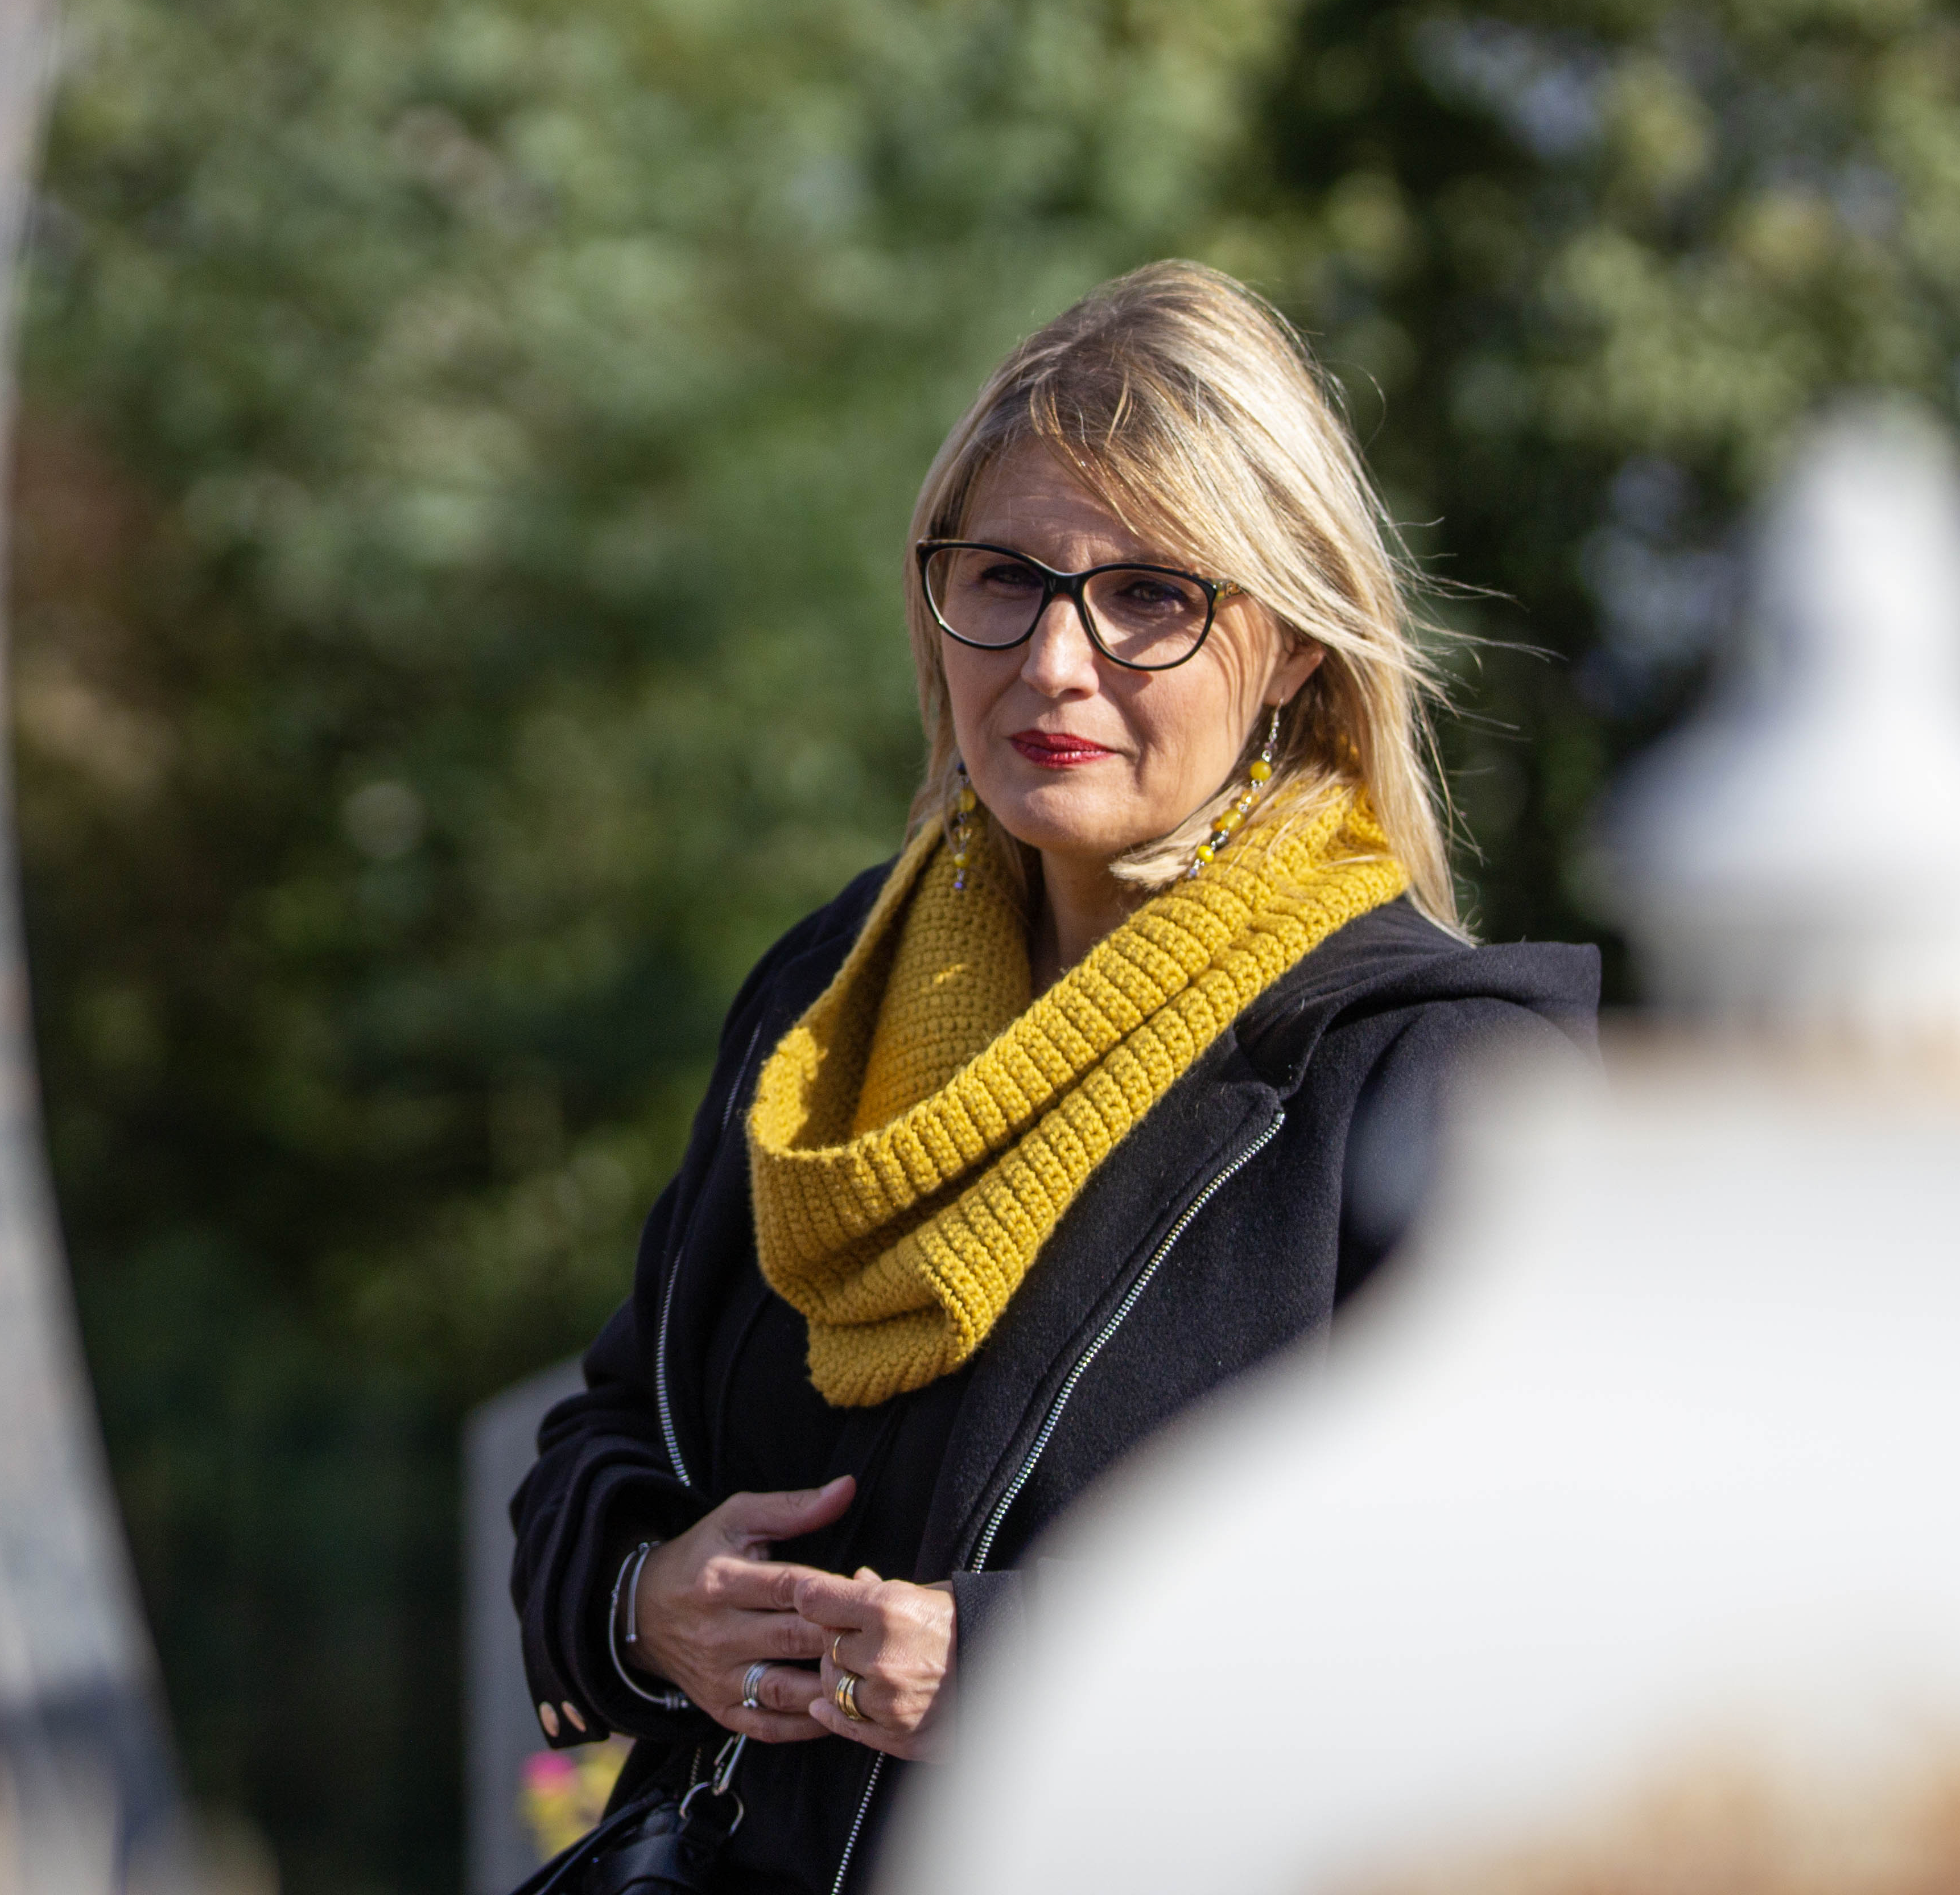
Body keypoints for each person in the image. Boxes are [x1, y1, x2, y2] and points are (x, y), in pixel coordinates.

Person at [507, 261, 1599, 1895]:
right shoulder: (826, 1002)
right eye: (1002, 579)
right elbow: (609, 1430)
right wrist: (645, 1600)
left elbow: (1513, 1627)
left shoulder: (1430, 1076)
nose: (1055, 662)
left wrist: (1019, 1669)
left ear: (1293, 641)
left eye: (1152, 593)